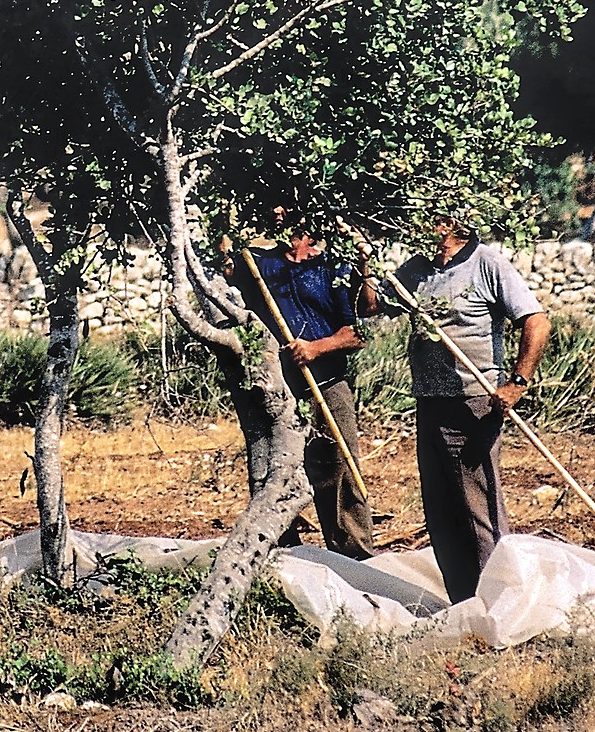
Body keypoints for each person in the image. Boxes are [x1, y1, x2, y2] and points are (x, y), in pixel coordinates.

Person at [370, 219, 549, 605]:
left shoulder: (487, 264)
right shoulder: (417, 269)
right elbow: (373, 305)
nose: (418, 222)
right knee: (441, 510)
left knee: (477, 510)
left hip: (475, 403)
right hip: (430, 401)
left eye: (429, 215)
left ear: (450, 223)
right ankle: (463, 605)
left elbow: (537, 322)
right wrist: (362, 260)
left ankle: (499, 604)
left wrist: (517, 382)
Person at [229, 227, 378, 560]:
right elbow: (225, 269)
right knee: (274, 474)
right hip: (277, 391)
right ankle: (280, 559)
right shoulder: (259, 264)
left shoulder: (333, 266)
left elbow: (356, 334)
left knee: (339, 473)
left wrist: (315, 348)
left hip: (327, 386)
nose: (278, 216)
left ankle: (356, 561)